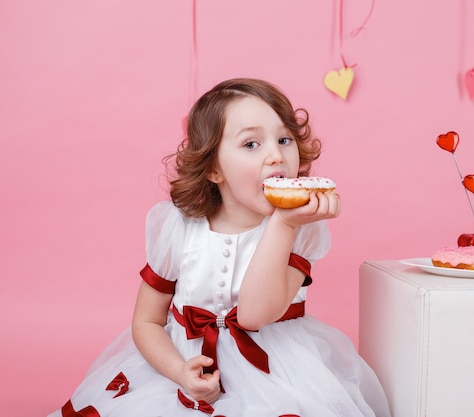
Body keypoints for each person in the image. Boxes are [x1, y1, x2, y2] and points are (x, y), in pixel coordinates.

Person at [49, 78, 391, 417]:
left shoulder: (299, 229)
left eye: (284, 139)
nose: (276, 155)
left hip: (276, 376)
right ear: (213, 168)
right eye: (251, 145)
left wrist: (284, 224)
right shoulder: (178, 227)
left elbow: (254, 315)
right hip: (180, 370)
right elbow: (146, 322)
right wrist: (179, 371)